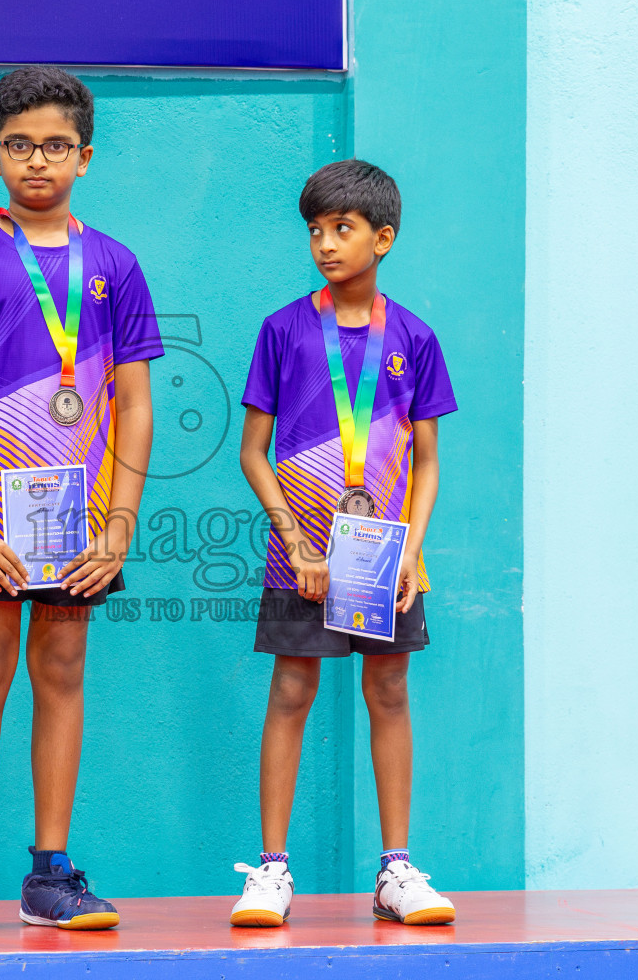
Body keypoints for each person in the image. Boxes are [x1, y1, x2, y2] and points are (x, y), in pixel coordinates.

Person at [0, 66, 164, 933]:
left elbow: (136, 404)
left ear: (85, 158)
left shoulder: (117, 266)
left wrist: (119, 523)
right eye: (20, 146)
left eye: (56, 145)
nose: (38, 161)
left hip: (79, 522)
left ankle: (51, 875)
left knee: (61, 672)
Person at [230, 160, 459, 928]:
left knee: (389, 695)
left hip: (388, 563)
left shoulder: (416, 338)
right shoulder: (284, 330)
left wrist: (411, 551)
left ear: (383, 238)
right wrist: (296, 543)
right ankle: (270, 871)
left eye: (343, 229)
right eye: (315, 231)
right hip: (306, 561)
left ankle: (396, 872)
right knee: (291, 694)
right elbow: (253, 452)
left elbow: (427, 462)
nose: (325, 244)